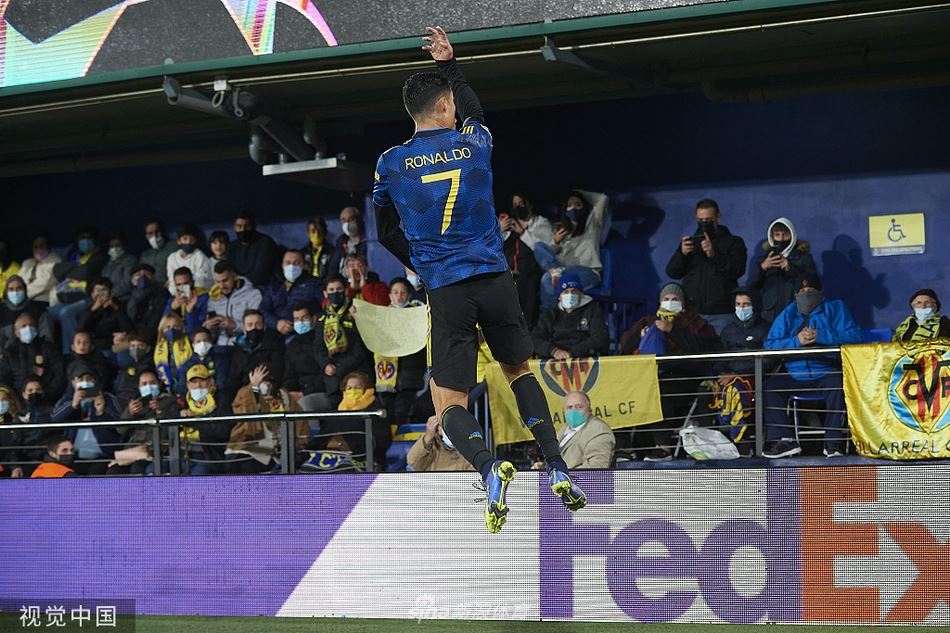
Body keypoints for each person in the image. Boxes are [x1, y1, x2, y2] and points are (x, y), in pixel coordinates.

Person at [372, 27, 585, 533]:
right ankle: (556, 464)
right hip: (493, 277)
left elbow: (384, 232)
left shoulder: (390, 163)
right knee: (519, 372)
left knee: (448, 403)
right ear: (446, 105)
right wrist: (450, 65)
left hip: (446, 287)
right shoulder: (475, 143)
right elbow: (477, 112)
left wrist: (421, 262)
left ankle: (490, 468)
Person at [762, 276, 862, 458]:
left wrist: (821, 335)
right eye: (802, 292)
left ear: (821, 293)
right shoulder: (788, 313)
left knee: (839, 386)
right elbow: (770, 344)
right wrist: (796, 340)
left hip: (826, 371)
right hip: (795, 374)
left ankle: (833, 444)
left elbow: (855, 337)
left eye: (811, 291)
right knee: (771, 388)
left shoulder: (835, 308)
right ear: (796, 295)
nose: (807, 294)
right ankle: (784, 441)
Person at [619, 282, 720, 461]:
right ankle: (624, 448)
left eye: (675, 299)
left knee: (659, 391)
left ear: (683, 302)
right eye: (666, 298)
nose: (670, 302)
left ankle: (663, 447)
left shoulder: (694, 322)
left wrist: (672, 330)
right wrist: (640, 336)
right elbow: (625, 348)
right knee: (621, 391)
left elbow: (705, 349)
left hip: (685, 376)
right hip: (647, 376)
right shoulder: (647, 321)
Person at [665, 198, 748, 334]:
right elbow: (672, 272)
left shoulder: (733, 242)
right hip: (692, 314)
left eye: (708, 220)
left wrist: (714, 254)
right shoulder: (691, 243)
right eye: (700, 220)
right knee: (691, 347)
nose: (704, 224)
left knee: (722, 347)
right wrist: (682, 254)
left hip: (722, 314)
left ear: (718, 218)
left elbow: (737, 270)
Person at [711, 288, 775, 448]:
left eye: (746, 304)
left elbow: (768, 361)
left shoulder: (766, 329)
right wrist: (720, 374)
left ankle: (742, 442)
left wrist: (736, 375)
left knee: (736, 389)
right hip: (729, 377)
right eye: (738, 304)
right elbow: (721, 358)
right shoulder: (728, 330)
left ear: (756, 305)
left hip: (756, 377)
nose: (741, 308)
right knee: (705, 391)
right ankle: (711, 443)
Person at [535, 190, 610, 309]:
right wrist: (556, 242)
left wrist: (576, 192)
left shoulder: (592, 224)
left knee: (547, 278)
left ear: (584, 207)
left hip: (587, 273)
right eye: (569, 205)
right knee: (538, 246)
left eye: (578, 204)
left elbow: (602, 198)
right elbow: (549, 255)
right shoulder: (563, 233)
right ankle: (556, 272)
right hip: (564, 271)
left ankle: (550, 316)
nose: (573, 208)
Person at [228, 363, 306, 473]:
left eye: (267, 380)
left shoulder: (283, 395)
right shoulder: (244, 393)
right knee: (242, 465)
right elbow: (248, 425)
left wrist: (296, 444)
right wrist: (254, 389)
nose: (264, 383)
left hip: (277, 450)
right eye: (260, 380)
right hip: (247, 447)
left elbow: (300, 423)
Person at [312, 275, 371, 412]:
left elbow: (362, 346)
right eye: (331, 290)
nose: (335, 293)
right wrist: (326, 364)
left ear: (346, 290)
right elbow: (318, 346)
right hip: (332, 379)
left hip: (356, 374)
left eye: (339, 289)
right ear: (325, 293)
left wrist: (340, 368)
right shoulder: (322, 318)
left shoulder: (355, 312)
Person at [51, 362, 122, 474]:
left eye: (89, 379)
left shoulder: (108, 398)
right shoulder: (68, 399)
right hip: (73, 457)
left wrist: (100, 412)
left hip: (103, 456)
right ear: (73, 382)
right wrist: (73, 405)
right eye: (80, 379)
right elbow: (54, 420)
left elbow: (119, 426)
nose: (85, 382)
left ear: (95, 381)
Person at [374, 278, 427, 425]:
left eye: (403, 292)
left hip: (411, 373)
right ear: (390, 295)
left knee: (403, 413)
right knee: (386, 415)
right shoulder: (381, 316)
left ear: (409, 295)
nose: (399, 296)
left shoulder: (418, 314)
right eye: (395, 292)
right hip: (386, 375)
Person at [746, 217, 819, 323]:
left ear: (792, 235)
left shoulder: (804, 258)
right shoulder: (764, 259)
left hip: (796, 313)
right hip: (769, 316)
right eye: (777, 234)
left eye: (785, 234)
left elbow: (814, 285)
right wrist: (762, 268)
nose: (781, 239)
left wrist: (790, 268)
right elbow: (750, 287)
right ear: (772, 237)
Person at [50, 226, 106, 354]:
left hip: (87, 298)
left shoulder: (100, 257)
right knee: (47, 314)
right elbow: (57, 270)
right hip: (68, 297)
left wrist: (69, 271)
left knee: (66, 313)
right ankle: (48, 353)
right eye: (82, 238)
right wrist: (77, 268)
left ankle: (70, 354)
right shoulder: (73, 256)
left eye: (88, 238)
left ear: (94, 240)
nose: (85, 241)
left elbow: (86, 272)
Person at [113, 369, 179, 475]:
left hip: (156, 450)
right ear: (139, 387)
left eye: (152, 383)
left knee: (137, 469)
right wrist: (130, 413)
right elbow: (120, 430)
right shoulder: (136, 404)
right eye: (144, 384)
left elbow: (170, 430)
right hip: (133, 451)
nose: (149, 386)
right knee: (114, 470)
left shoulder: (169, 401)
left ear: (159, 384)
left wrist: (160, 411)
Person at [531, 273, 609, 359]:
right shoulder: (550, 315)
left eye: (574, 291)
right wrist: (553, 351)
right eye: (566, 292)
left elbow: (601, 337)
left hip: (584, 359)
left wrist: (572, 353)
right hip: (554, 360)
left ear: (581, 294)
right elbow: (535, 339)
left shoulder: (593, 310)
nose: (570, 295)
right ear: (559, 297)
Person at [178, 364, 233, 475]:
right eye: (194, 382)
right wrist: (179, 415)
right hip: (182, 453)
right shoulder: (181, 402)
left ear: (210, 382)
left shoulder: (221, 400)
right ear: (188, 385)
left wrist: (195, 420)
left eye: (202, 381)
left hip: (208, 455)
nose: (198, 385)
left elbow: (224, 431)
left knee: (199, 474)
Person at [223, 309, 285, 403]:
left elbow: (278, 370)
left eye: (258, 324)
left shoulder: (275, 344)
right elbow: (233, 379)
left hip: (268, 390)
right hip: (244, 393)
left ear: (264, 326)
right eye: (250, 325)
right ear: (244, 329)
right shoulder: (239, 349)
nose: (254, 328)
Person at [0, 313, 65, 397]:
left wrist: (46, 394)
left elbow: (59, 374)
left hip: (47, 398)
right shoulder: (9, 353)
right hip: (18, 400)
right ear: (16, 333)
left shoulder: (48, 348)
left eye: (31, 325)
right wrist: (15, 397)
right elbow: (3, 378)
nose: (28, 328)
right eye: (24, 326)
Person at [259, 249, 322, 336]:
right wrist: (276, 323)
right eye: (288, 263)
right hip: (275, 333)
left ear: (304, 265)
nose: (292, 266)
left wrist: (313, 319)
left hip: (306, 332)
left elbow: (324, 306)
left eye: (297, 263)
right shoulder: (273, 287)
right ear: (282, 265)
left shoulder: (315, 284)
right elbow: (263, 309)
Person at [205, 260, 262, 347]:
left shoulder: (253, 295)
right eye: (218, 282)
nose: (222, 286)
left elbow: (257, 327)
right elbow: (210, 333)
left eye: (225, 280)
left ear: (234, 276)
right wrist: (209, 328)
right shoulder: (213, 298)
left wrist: (234, 325)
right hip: (220, 346)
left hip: (244, 345)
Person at [552, 391, 614, 469]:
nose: (573, 411)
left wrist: (563, 474)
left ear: (589, 409)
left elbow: (597, 466)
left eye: (579, 407)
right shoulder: (563, 430)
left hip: (577, 476)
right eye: (569, 407)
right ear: (563, 411)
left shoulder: (599, 430)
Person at [76, 277, 132, 353]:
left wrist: (115, 307)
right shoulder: (89, 310)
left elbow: (129, 329)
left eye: (104, 291)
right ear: (92, 294)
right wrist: (94, 308)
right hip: (95, 345)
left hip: (116, 344)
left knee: (124, 347)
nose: (101, 294)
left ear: (111, 293)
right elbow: (80, 329)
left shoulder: (119, 306)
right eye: (98, 291)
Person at [284, 304, 324, 407]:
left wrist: (304, 393)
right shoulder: (292, 345)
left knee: (305, 403)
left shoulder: (322, 340)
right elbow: (289, 375)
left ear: (313, 319)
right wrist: (290, 393)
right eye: (297, 319)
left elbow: (326, 373)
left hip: (321, 391)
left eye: (304, 318)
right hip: (299, 392)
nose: (300, 322)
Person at [228, 211, 281, 287]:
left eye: (247, 226)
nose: (243, 230)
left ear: (254, 226)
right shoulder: (232, 246)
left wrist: (238, 282)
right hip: (237, 287)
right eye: (239, 226)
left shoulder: (265, 242)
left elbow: (260, 275)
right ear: (234, 227)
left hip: (262, 287)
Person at [0, 274, 54, 347]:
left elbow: (47, 338)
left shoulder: (39, 310)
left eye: (19, 288)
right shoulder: (2, 312)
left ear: (25, 290)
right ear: (6, 292)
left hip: (37, 351)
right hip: (8, 352)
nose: (15, 292)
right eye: (11, 289)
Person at [407, 414, 474, 472]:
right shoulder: (433, 448)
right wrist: (428, 437)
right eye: (446, 426)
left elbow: (474, 476)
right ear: (438, 429)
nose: (451, 431)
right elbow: (412, 462)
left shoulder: (470, 451)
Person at [153, 313, 192, 396]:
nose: (171, 329)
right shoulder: (159, 346)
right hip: (168, 387)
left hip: (187, 384)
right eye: (167, 327)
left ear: (181, 328)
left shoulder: (189, 341)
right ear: (162, 330)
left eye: (175, 326)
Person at [165, 224, 213, 291]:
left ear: (196, 241)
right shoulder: (172, 258)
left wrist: (185, 287)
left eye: (192, 239)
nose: (188, 242)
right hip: (177, 293)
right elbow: (172, 281)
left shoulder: (200, 256)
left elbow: (202, 281)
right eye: (185, 239)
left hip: (197, 292)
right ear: (179, 241)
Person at [164, 267, 209, 335]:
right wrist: (171, 308)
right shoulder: (172, 300)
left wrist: (190, 311)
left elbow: (197, 331)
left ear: (192, 283)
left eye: (185, 284)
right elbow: (163, 326)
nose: (182, 288)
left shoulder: (204, 298)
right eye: (178, 284)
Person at [126, 263, 166, 338]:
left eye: (147, 274)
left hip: (151, 335)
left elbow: (156, 320)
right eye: (138, 274)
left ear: (153, 278)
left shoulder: (161, 294)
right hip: (132, 335)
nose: (143, 277)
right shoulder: (128, 296)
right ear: (132, 280)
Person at [19, 235, 62, 304]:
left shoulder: (56, 261)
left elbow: (44, 283)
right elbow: (18, 280)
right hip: (24, 301)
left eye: (41, 245)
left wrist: (21, 294)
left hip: (44, 302)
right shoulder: (27, 263)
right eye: (35, 246)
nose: (38, 248)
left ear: (48, 247)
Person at [330, 206, 367, 275]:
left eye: (351, 219)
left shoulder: (368, 241)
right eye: (344, 220)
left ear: (360, 219)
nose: (347, 223)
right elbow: (333, 266)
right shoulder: (341, 241)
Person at [102, 233, 138, 303]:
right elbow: (102, 280)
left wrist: (110, 294)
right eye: (111, 246)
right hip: (106, 298)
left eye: (118, 245)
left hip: (123, 300)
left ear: (124, 246)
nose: (114, 248)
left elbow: (127, 283)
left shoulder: (130, 260)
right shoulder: (109, 262)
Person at [140, 218, 178, 285]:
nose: (154, 235)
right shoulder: (145, 255)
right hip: (152, 289)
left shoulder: (174, 247)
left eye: (157, 231)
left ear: (163, 231)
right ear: (146, 236)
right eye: (150, 233)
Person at [0, 385, 27, 478]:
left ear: (11, 401)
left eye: (4, 400)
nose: (1, 403)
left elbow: (14, 447)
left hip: (13, 467)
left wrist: (15, 466)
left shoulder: (17, 420)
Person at [303, 216, 334, 286]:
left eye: (319, 231)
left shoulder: (332, 251)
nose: (316, 234)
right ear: (308, 233)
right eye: (313, 231)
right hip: (308, 285)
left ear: (325, 232)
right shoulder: (303, 252)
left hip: (326, 285)